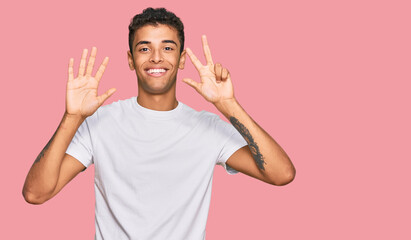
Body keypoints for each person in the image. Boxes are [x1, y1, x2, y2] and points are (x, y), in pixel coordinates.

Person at [22, 7, 295, 240]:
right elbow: (35, 193)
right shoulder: (100, 123)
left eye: (167, 47)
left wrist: (228, 105)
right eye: (144, 48)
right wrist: (72, 118)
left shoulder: (208, 128)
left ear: (182, 59)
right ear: (130, 60)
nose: (156, 58)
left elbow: (282, 174)